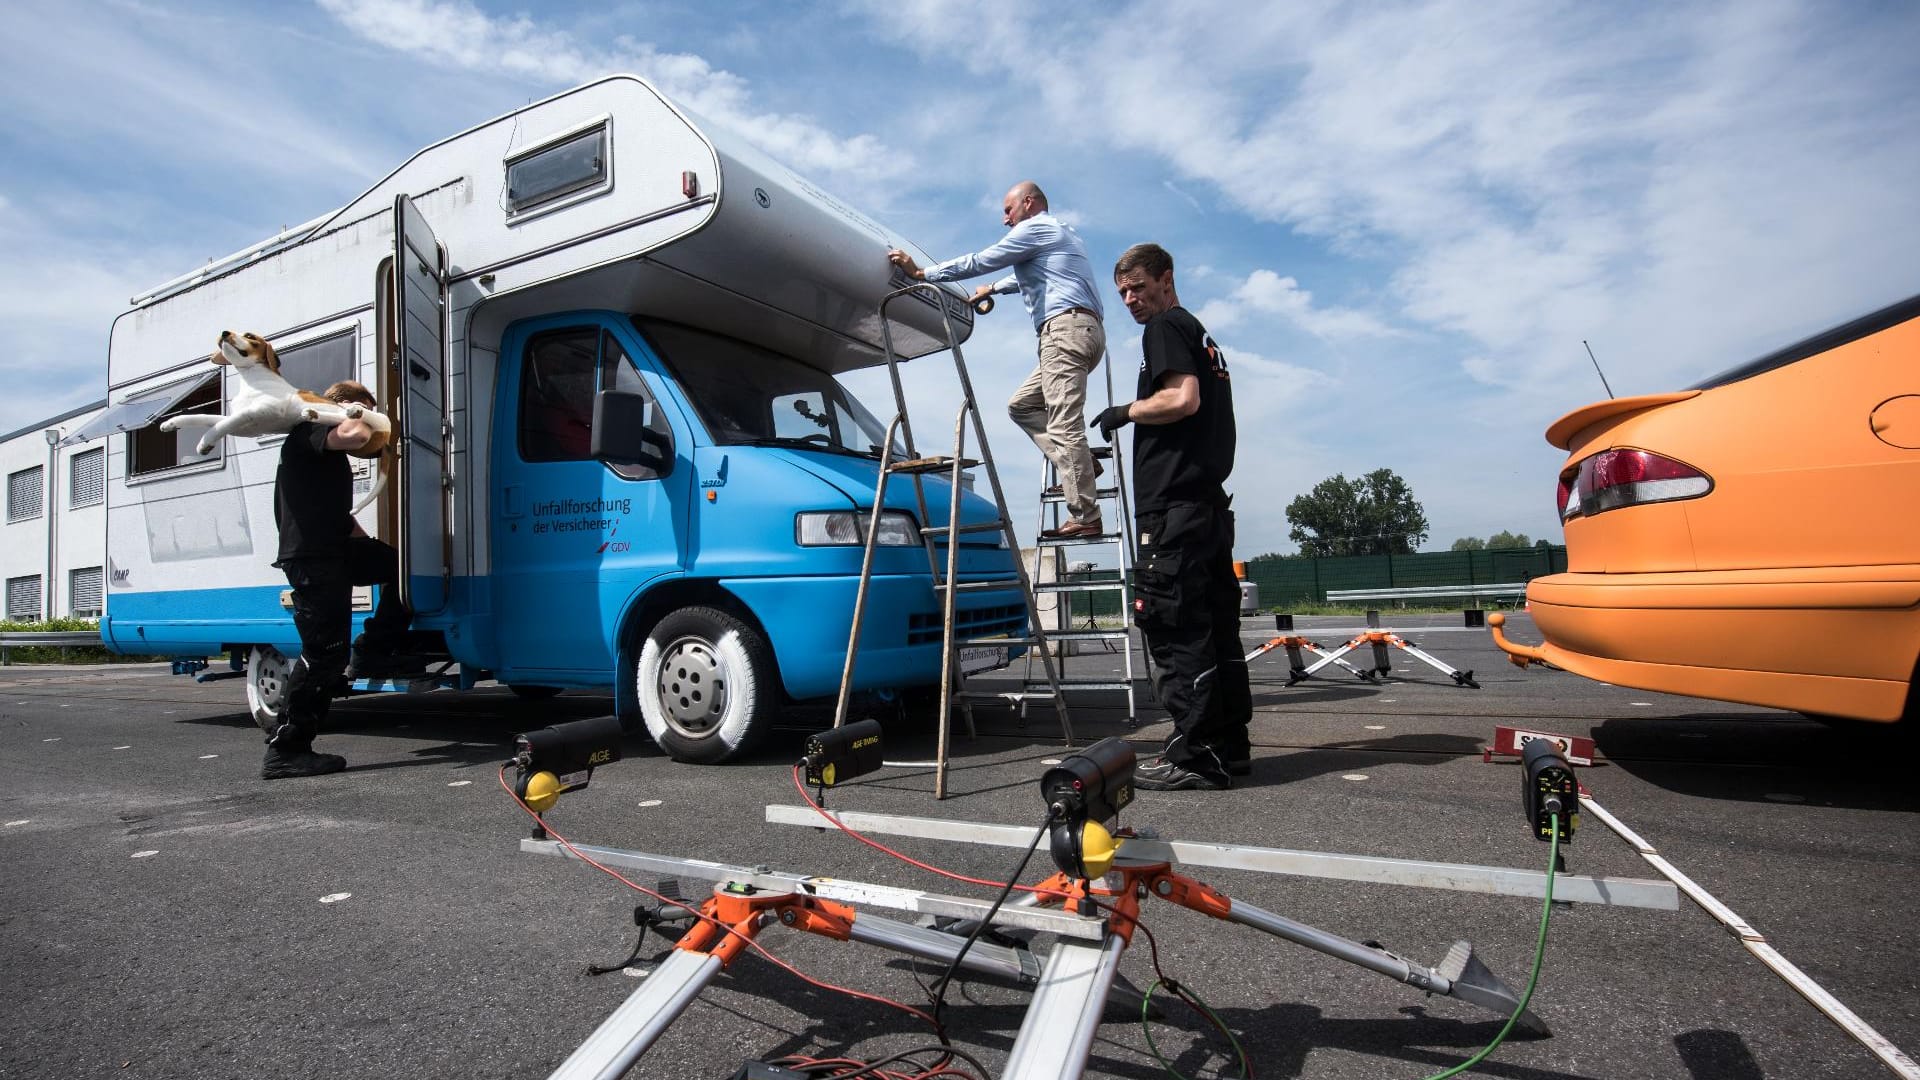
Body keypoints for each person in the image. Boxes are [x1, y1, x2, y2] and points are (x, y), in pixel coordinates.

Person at [1092, 243, 1252, 791]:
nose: (1131, 300)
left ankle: (1197, 755)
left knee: (1175, 626)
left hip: (1173, 513)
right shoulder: (1202, 336)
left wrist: (1124, 411)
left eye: (1138, 287)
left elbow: (1182, 400)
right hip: (1207, 507)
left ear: (1166, 278)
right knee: (1216, 630)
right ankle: (1231, 745)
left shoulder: (1165, 328)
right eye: (1123, 294)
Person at [886, 181, 1108, 537]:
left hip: (1063, 332)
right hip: (1083, 331)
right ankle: (1082, 468)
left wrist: (922, 273)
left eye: (1008, 210)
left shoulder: (1034, 228)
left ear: (1029, 203)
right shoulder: (1060, 232)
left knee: (1065, 424)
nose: (1005, 220)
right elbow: (1029, 276)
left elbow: (983, 259)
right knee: (1021, 406)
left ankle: (1085, 515)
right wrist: (995, 289)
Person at [264, 380, 416, 780]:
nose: (364, 417)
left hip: (336, 551)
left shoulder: (326, 453)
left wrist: (375, 548)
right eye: (360, 408)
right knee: (324, 654)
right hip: (313, 560)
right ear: (343, 407)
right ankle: (287, 748)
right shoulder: (310, 428)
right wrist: (360, 413)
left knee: (406, 569)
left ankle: (373, 650)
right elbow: (357, 431)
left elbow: (338, 515)